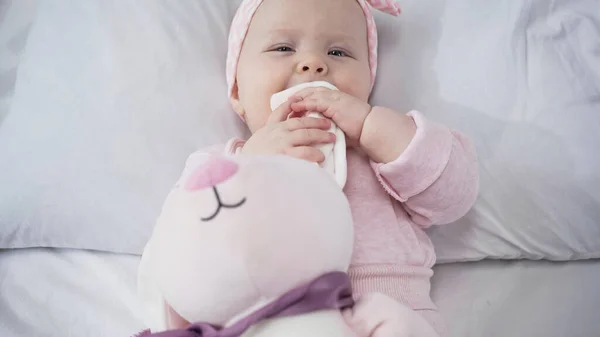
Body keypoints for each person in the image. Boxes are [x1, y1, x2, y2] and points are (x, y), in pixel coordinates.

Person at [189, 0, 479, 335]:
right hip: (271, 320)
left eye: (339, 53)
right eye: (283, 47)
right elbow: (187, 247)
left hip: (391, 313)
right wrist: (251, 165)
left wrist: (376, 128)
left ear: (369, 81)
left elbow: (454, 196)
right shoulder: (220, 167)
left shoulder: (382, 152)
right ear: (237, 89)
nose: (313, 64)